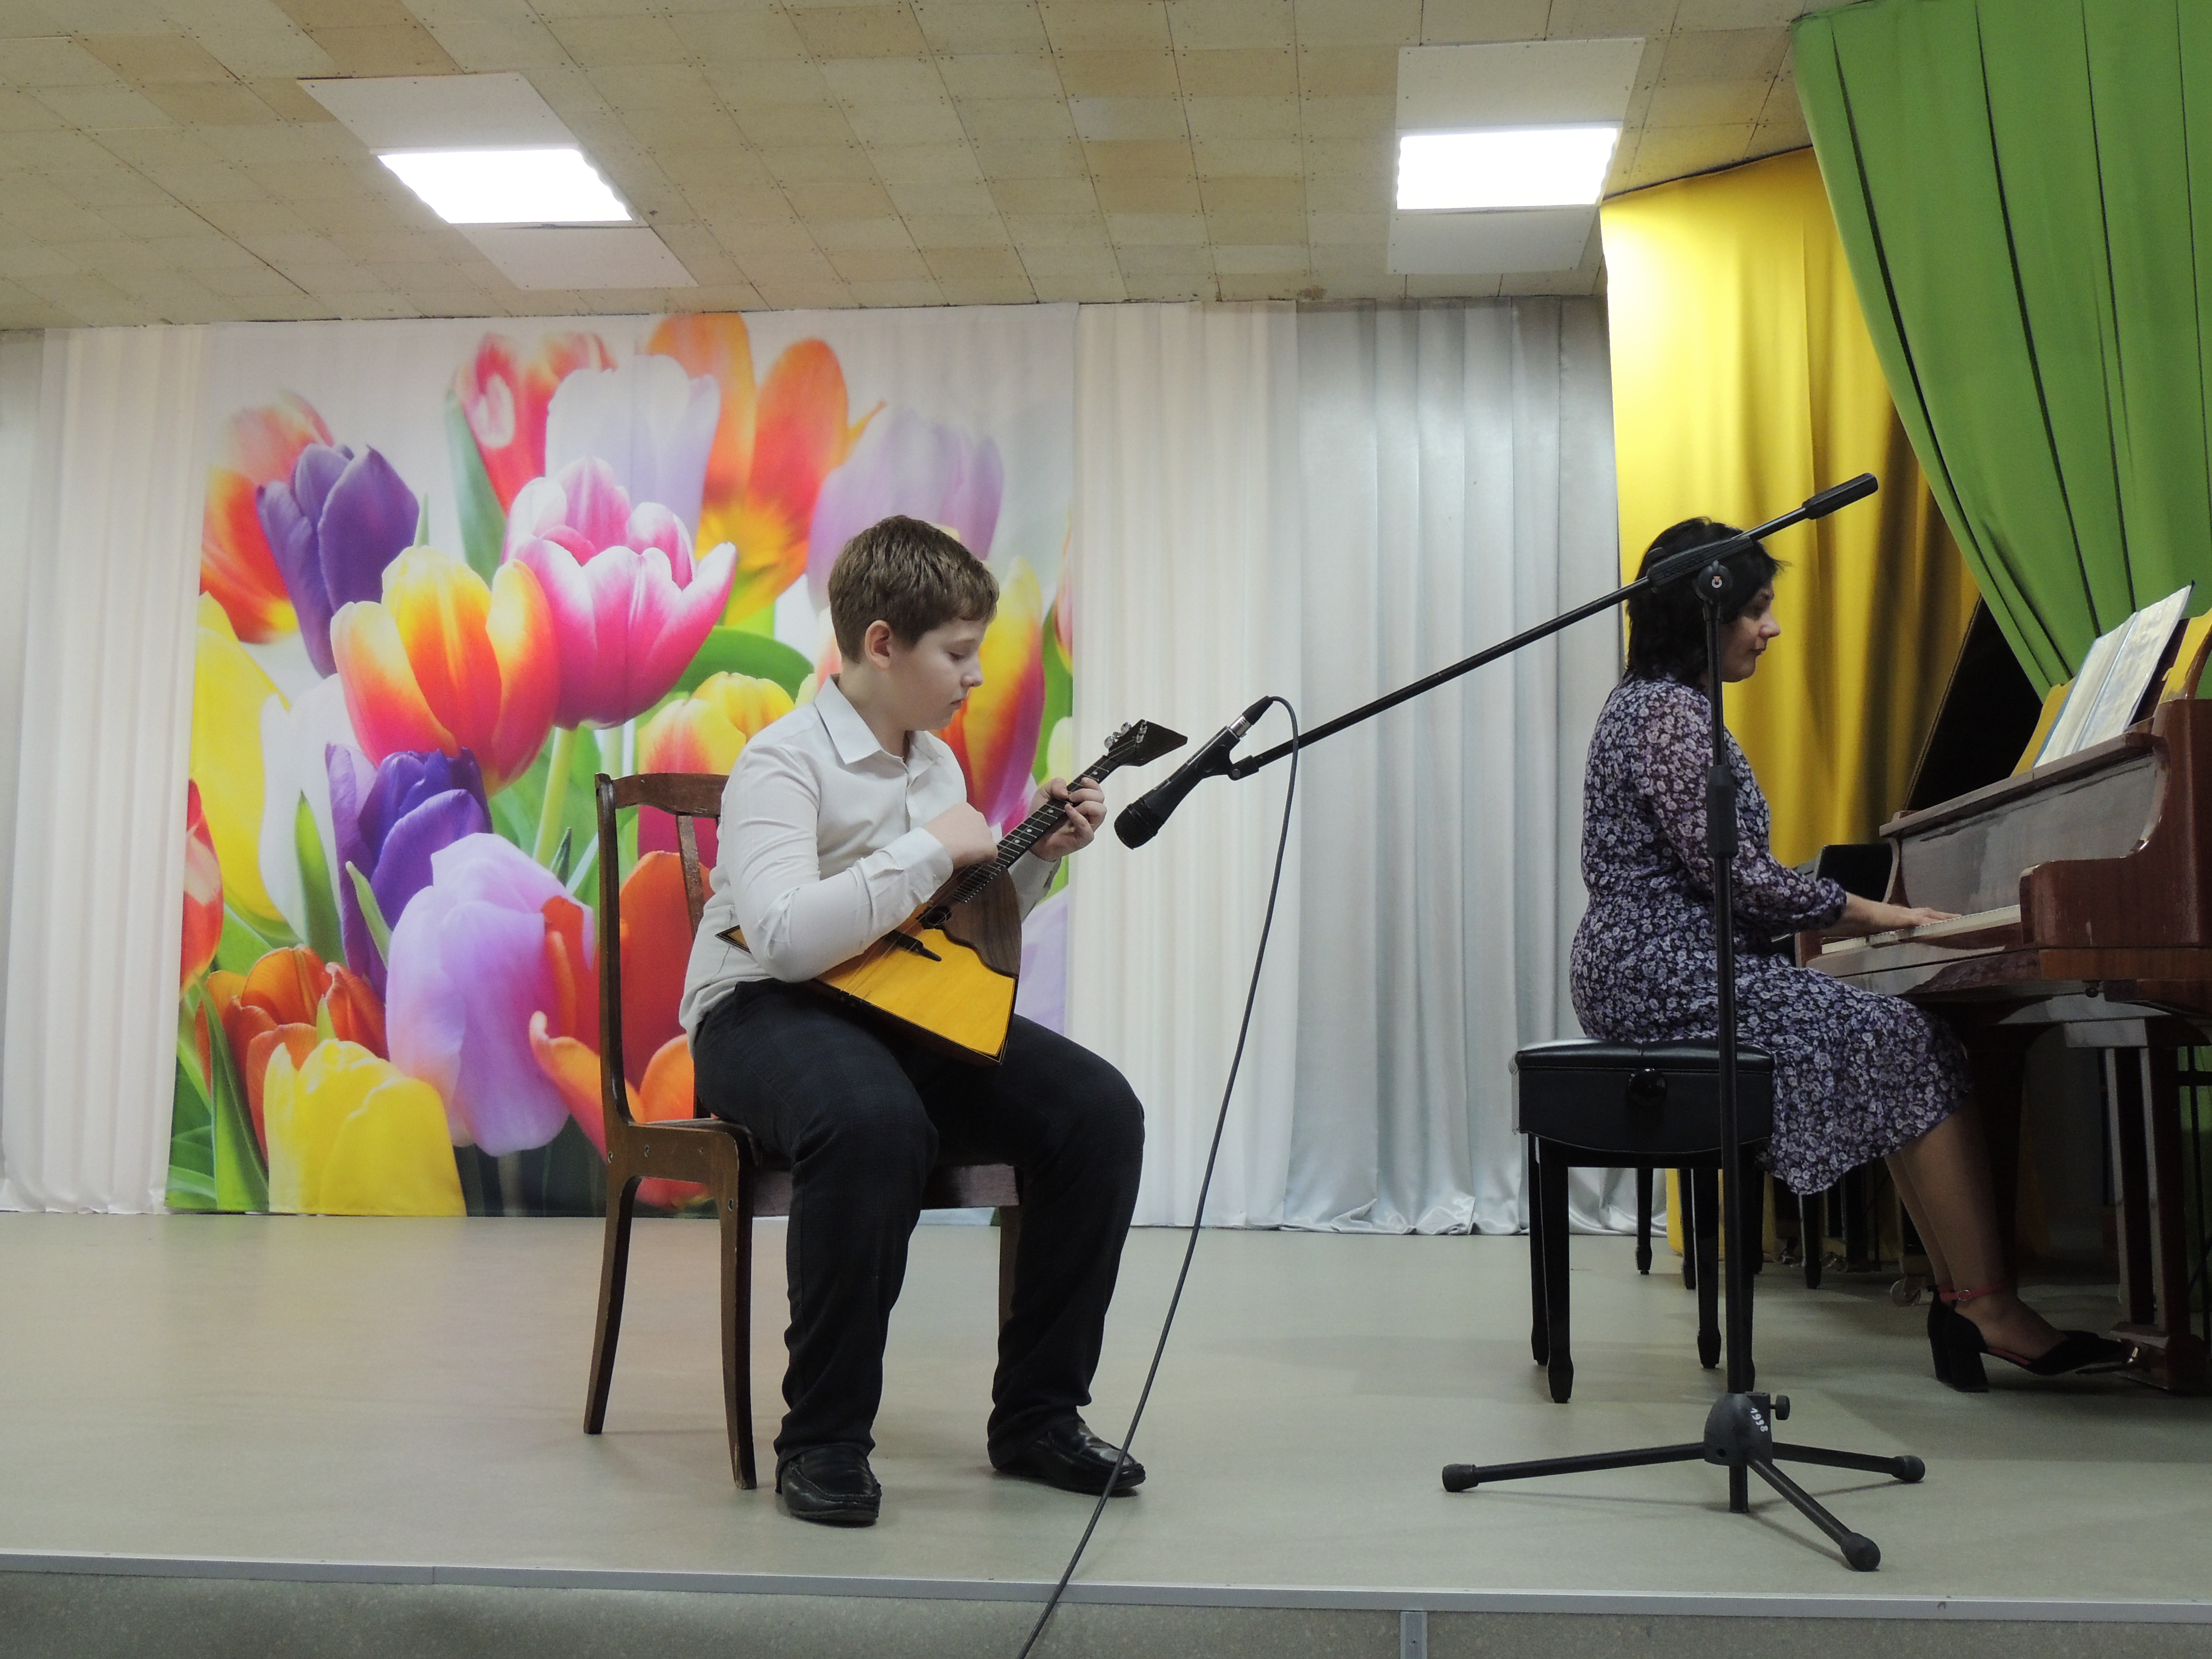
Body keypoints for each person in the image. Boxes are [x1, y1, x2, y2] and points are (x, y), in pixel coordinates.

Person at [1569, 517, 2125, 1391]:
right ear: (1701, 613)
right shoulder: (1671, 715)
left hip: (1660, 964)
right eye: (1756, 609)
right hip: (1662, 971)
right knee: (1910, 1041)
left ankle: (1967, 1300)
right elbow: (1740, 878)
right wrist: (1880, 913)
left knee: (1905, 1045)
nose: (1772, 628)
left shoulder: (1652, 703)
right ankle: (1983, 1307)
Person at [680, 516, 1147, 1525]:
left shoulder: (933, 766)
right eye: (959, 653)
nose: (975, 676)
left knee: (1098, 1111)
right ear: (883, 643)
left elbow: (955, 920)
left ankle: (1039, 1417)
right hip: (761, 1010)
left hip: (896, 1000)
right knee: (871, 1120)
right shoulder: (780, 762)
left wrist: (1035, 855)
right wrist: (934, 848)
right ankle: (824, 1440)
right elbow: (786, 940)